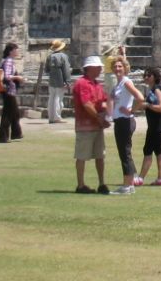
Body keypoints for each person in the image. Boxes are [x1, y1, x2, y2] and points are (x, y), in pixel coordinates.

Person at [72, 55, 110, 194]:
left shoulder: (96, 84)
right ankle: (80, 184)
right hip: (85, 125)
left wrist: (108, 111)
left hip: (96, 125)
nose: (100, 69)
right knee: (82, 155)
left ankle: (101, 183)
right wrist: (100, 118)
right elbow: (87, 104)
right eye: (98, 67)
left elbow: (104, 100)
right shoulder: (82, 83)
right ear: (90, 68)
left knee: (100, 155)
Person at [108, 56, 144, 194]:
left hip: (125, 120)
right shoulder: (118, 83)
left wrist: (131, 110)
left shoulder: (126, 82)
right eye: (115, 66)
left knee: (125, 152)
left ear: (125, 68)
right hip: (120, 120)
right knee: (124, 152)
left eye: (120, 66)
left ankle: (127, 185)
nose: (117, 69)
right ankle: (130, 183)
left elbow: (140, 97)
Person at [137, 68, 161, 186]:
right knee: (157, 151)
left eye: (148, 75)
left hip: (156, 125)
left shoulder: (157, 90)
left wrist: (148, 105)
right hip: (153, 125)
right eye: (144, 75)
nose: (146, 77)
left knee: (148, 150)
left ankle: (140, 178)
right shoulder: (152, 90)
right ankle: (160, 178)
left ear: (154, 77)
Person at [0, 42, 25, 143]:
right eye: (16, 49)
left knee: (14, 113)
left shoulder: (10, 61)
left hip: (10, 90)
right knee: (8, 114)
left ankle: (16, 133)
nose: (17, 51)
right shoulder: (8, 61)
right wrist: (18, 77)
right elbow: (7, 76)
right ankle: (4, 137)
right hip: (8, 90)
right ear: (11, 51)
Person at [45, 39, 71, 124]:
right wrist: (67, 81)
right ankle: (57, 117)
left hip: (52, 79)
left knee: (51, 98)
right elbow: (66, 70)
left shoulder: (49, 57)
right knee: (58, 99)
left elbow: (47, 69)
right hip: (60, 79)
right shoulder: (63, 56)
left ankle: (51, 117)